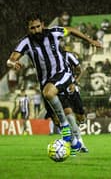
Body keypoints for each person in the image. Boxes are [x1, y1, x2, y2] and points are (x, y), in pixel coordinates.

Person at [6, 13, 101, 153]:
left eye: (38, 26)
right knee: (63, 114)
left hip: (63, 74)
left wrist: (90, 40)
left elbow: (72, 30)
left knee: (52, 96)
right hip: (46, 82)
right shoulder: (26, 42)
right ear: (28, 28)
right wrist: (13, 64)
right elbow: (11, 59)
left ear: (43, 25)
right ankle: (76, 143)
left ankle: (66, 128)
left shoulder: (54, 32)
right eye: (32, 28)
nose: (36, 30)